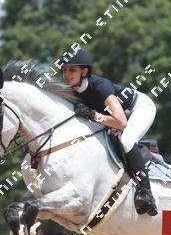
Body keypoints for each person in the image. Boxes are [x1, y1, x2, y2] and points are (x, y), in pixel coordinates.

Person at [60, 48, 157, 216]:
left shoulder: (100, 87)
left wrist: (94, 115)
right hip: (116, 118)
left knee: (127, 140)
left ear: (84, 71)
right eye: (64, 70)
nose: (67, 75)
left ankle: (146, 193)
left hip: (139, 108)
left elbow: (121, 122)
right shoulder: (71, 92)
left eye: (72, 70)